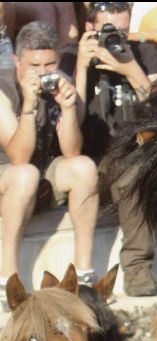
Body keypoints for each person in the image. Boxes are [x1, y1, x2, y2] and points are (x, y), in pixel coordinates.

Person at [61, 1, 157, 296]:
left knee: (142, 166)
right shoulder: (70, 58)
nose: (114, 39)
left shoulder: (142, 55)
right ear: (88, 29)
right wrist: (82, 68)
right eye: (107, 31)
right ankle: (136, 270)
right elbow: (73, 121)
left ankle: (147, 271)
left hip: (136, 156)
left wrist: (132, 70)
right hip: (91, 160)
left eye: (121, 31)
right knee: (130, 170)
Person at [0, 21, 99, 310]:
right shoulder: (3, 89)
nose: (43, 72)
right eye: (34, 65)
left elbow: (72, 150)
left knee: (83, 167)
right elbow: (17, 155)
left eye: (50, 63)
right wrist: (29, 106)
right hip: (9, 174)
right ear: (17, 60)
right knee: (24, 174)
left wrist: (68, 109)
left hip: (39, 175)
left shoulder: (59, 80)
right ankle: (8, 277)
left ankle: (83, 274)